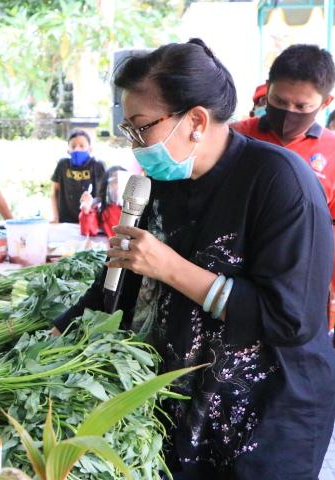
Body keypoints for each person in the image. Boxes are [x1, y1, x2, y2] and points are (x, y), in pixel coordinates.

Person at [52, 39, 335, 479]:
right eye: (128, 130)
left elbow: (292, 319)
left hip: (269, 419)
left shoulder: (280, 183)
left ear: (197, 120)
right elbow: (122, 275)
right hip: (186, 408)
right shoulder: (164, 182)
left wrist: (170, 267)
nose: (135, 144)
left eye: (142, 127)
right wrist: (56, 331)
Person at [232, 45, 335, 329]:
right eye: (279, 100)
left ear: (326, 103)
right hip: (235, 280)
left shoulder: (333, 151)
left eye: (302, 107)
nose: (289, 112)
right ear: (267, 89)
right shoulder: (236, 137)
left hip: (301, 286)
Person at [51, 129, 106, 224]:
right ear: (68, 150)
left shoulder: (98, 165)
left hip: (92, 221)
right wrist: (55, 217)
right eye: (73, 146)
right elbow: (54, 192)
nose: (77, 149)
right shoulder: (62, 165)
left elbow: (104, 195)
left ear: (90, 149)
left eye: (82, 146)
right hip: (66, 221)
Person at [79, 166, 129, 238]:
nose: (119, 185)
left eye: (123, 181)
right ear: (107, 186)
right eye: (115, 181)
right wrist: (86, 211)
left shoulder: (136, 206)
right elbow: (88, 231)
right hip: (114, 247)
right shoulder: (99, 207)